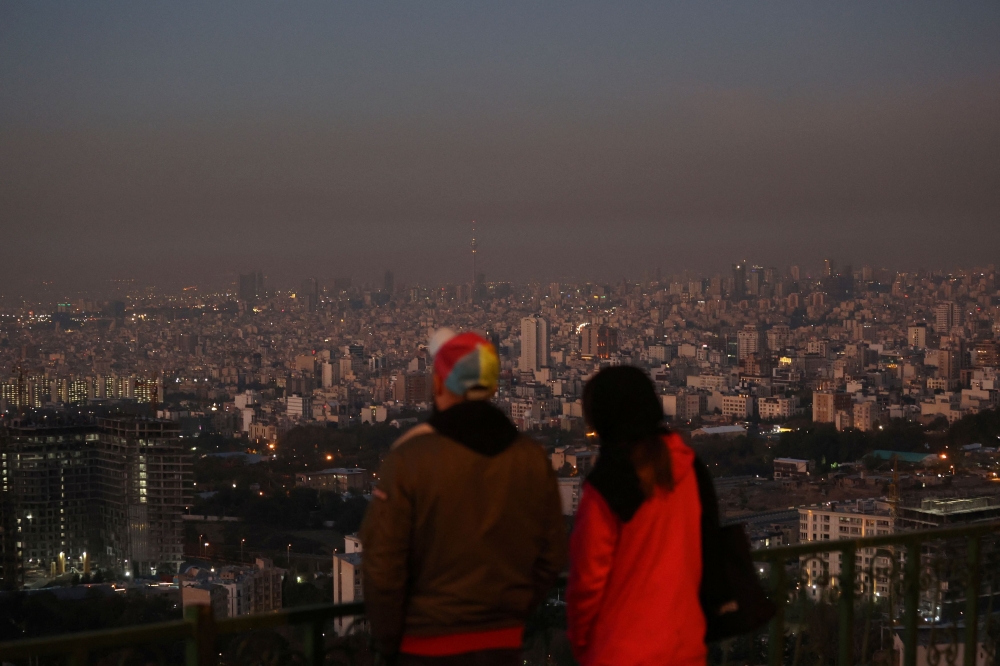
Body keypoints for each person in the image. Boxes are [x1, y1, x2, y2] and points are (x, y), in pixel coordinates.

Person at [361, 329, 567, 666]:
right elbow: (552, 554)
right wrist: (514, 611)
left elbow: (382, 565)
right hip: (502, 644)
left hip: (425, 646)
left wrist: (389, 642)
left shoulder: (410, 459)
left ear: (439, 384)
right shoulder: (531, 457)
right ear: (493, 386)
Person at [567, 366, 716, 666]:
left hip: (621, 652)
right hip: (684, 646)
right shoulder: (688, 468)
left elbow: (587, 582)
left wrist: (584, 646)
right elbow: (708, 549)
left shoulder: (609, 484)